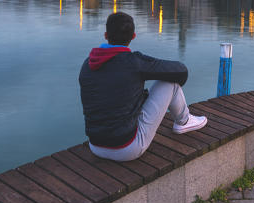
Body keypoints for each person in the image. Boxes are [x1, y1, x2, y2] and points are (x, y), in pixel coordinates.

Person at [79, 11, 207, 161]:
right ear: (133, 37)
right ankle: (184, 121)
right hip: (127, 148)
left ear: (106, 35)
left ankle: (184, 120)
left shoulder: (87, 64)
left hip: (95, 145)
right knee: (170, 82)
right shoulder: (133, 62)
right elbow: (180, 71)